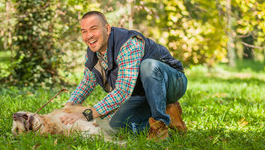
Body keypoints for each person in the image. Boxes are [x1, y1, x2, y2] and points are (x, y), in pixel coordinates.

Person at [60, 11, 188, 141]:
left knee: (148, 66)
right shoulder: (93, 54)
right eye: (84, 31)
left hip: (172, 83)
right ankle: (169, 112)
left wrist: (87, 114)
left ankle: (160, 124)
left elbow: (123, 91)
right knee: (116, 127)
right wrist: (67, 107)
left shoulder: (128, 43)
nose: (89, 36)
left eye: (94, 29)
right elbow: (86, 84)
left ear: (107, 29)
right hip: (141, 94)